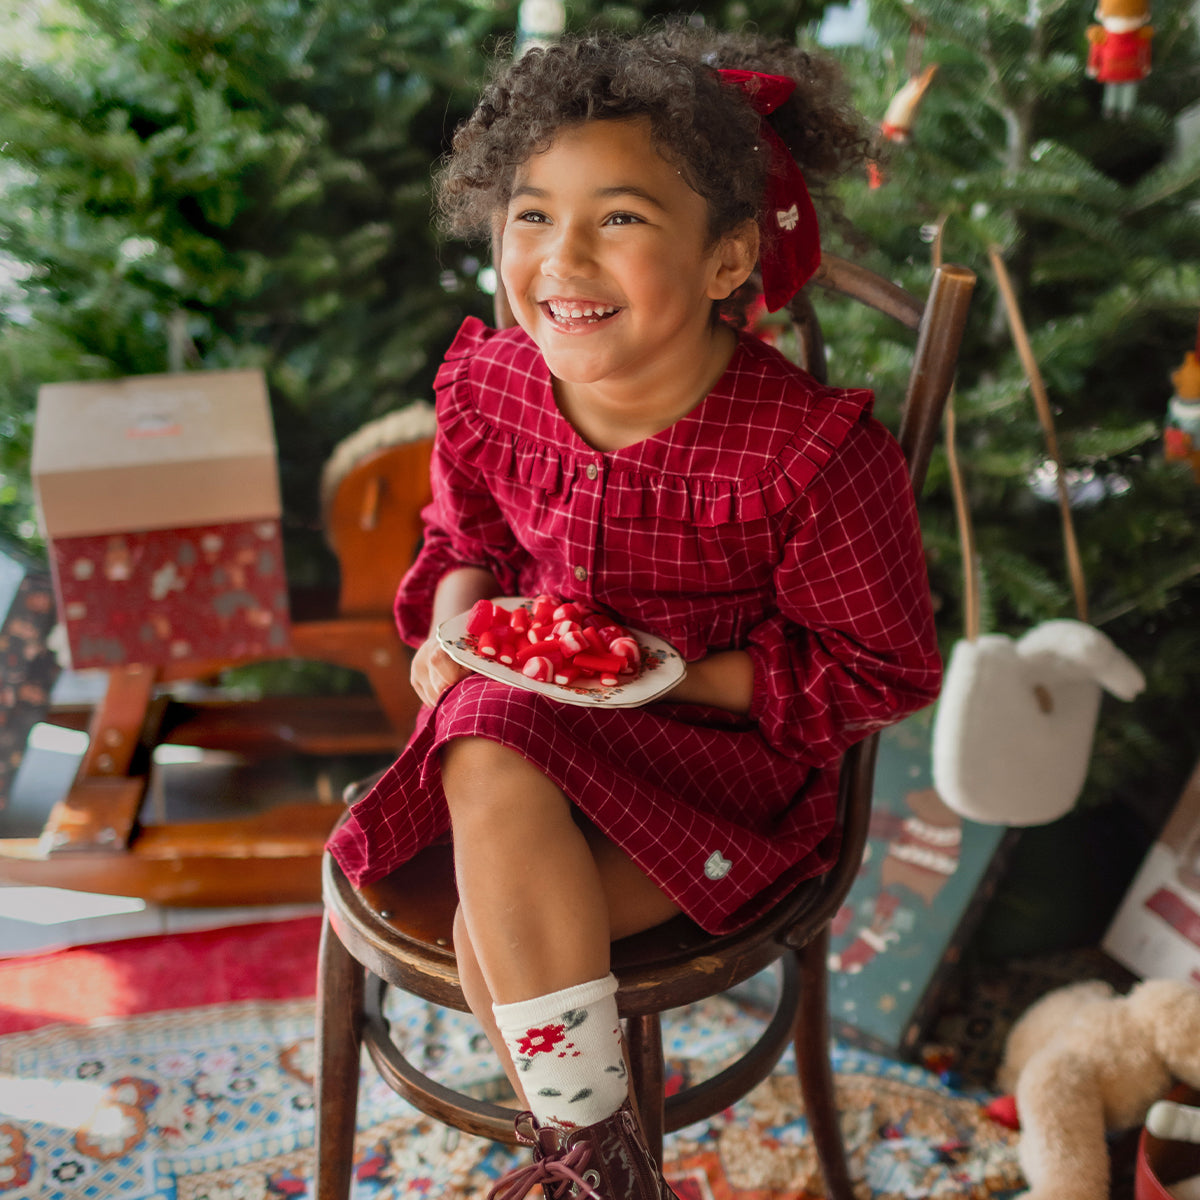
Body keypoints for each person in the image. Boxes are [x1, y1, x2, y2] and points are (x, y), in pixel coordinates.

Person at [328, 24, 942, 1200]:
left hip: (726, 776)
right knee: (490, 734)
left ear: (726, 262)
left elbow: (881, 670)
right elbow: (468, 541)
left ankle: (584, 1165)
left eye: (618, 219)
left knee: (486, 925)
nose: (561, 260)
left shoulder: (810, 457)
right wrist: (459, 625)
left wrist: (672, 674)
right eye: (531, 215)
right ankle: (600, 1169)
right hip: (528, 744)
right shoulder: (493, 386)